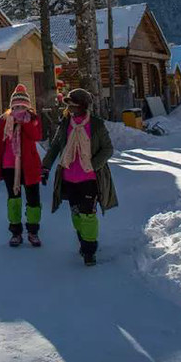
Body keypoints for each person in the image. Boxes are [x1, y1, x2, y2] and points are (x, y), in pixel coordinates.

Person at [41, 88, 118, 266]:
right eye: (69, 105)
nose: (70, 108)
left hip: (90, 179)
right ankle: (83, 240)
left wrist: (92, 165)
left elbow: (108, 149)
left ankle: (89, 250)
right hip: (69, 178)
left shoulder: (96, 124)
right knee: (76, 214)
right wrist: (45, 168)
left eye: (73, 105)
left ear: (83, 106)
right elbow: (54, 148)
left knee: (88, 214)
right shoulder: (66, 124)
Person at [0, 84, 43, 248]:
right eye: (16, 106)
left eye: (23, 106)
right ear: (11, 106)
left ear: (28, 106)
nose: (19, 109)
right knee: (13, 201)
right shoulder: (4, 120)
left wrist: (25, 122)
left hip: (29, 166)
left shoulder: (33, 120)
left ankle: (33, 231)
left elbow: (37, 136)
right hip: (9, 166)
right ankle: (16, 232)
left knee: (33, 200)